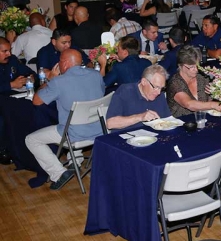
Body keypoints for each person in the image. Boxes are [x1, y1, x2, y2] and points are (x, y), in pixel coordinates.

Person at [26, 49, 105, 190]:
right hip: (99, 130)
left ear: (65, 63)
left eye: (60, 61)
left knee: (31, 139)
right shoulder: (96, 75)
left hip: (75, 135)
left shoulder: (58, 82)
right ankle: (76, 161)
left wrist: (50, 79)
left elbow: (36, 101)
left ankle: (59, 172)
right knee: (74, 120)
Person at [106, 64, 171, 130]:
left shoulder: (159, 94)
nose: (158, 92)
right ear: (144, 82)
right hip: (126, 137)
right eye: (156, 87)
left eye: (161, 88)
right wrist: (140, 117)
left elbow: (167, 119)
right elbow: (110, 124)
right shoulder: (125, 92)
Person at [166, 45, 221, 117]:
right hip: (182, 124)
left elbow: (214, 97)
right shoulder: (175, 82)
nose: (196, 69)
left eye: (197, 65)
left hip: (204, 121)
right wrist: (212, 105)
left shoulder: (202, 77)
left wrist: (216, 92)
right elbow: (188, 104)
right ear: (181, 65)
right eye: (191, 67)